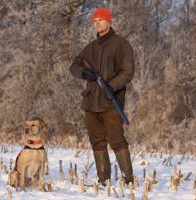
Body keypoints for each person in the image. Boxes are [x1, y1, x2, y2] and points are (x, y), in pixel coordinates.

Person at [69, 7, 135, 185]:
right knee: (96, 140)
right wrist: (84, 73)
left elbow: (127, 71)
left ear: (109, 21)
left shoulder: (121, 44)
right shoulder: (90, 47)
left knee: (116, 139)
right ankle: (103, 179)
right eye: (95, 21)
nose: (97, 23)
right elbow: (74, 66)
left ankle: (129, 180)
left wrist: (111, 86)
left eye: (101, 20)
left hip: (111, 102)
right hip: (91, 102)